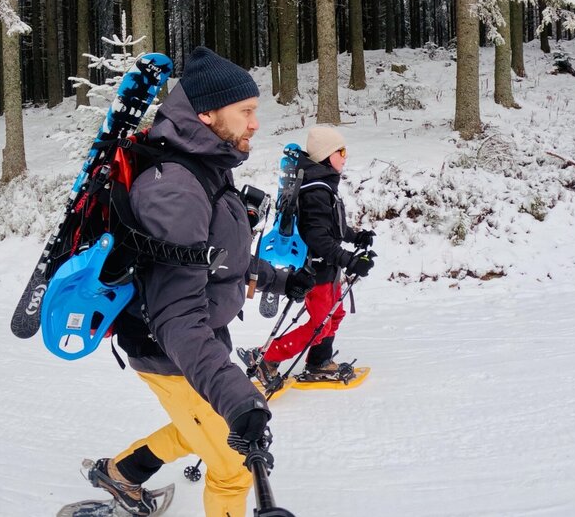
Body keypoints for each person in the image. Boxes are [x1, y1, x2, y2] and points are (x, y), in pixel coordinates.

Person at [86, 46, 314, 517]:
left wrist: (277, 278)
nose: (255, 124)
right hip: (169, 348)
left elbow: (218, 259)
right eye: (246, 112)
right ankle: (124, 473)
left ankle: (122, 474)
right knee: (231, 467)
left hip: (198, 340)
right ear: (206, 114)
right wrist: (237, 399)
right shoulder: (177, 187)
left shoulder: (206, 167)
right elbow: (177, 315)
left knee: (198, 430)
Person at [245, 127, 376, 391]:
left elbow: (331, 228)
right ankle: (266, 357)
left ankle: (319, 361)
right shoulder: (317, 190)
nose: (345, 156)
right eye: (341, 151)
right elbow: (317, 238)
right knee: (319, 325)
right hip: (317, 269)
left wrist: (356, 237)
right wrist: (349, 260)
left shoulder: (324, 184)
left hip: (328, 269)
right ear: (328, 155)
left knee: (333, 315)